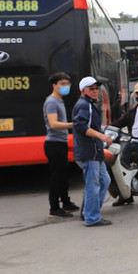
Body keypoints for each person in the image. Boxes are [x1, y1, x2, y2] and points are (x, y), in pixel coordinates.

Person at [72, 76, 114, 227]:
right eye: (92, 89)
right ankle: (91, 217)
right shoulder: (84, 105)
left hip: (95, 152)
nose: (95, 91)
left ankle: (91, 212)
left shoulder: (88, 104)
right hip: (89, 152)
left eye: (96, 88)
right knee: (94, 185)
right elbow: (81, 127)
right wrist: (101, 135)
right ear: (83, 91)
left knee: (104, 181)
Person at [43, 72, 79, 218]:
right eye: (62, 84)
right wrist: (74, 124)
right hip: (54, 143)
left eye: (67, 84)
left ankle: (66, 202)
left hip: (61, 142)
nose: (66, 86)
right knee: (57, 176)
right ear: (54, 85)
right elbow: (53, 123)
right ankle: (54, 207)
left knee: (64, 175)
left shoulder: (59, 101)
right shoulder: (51, 102)